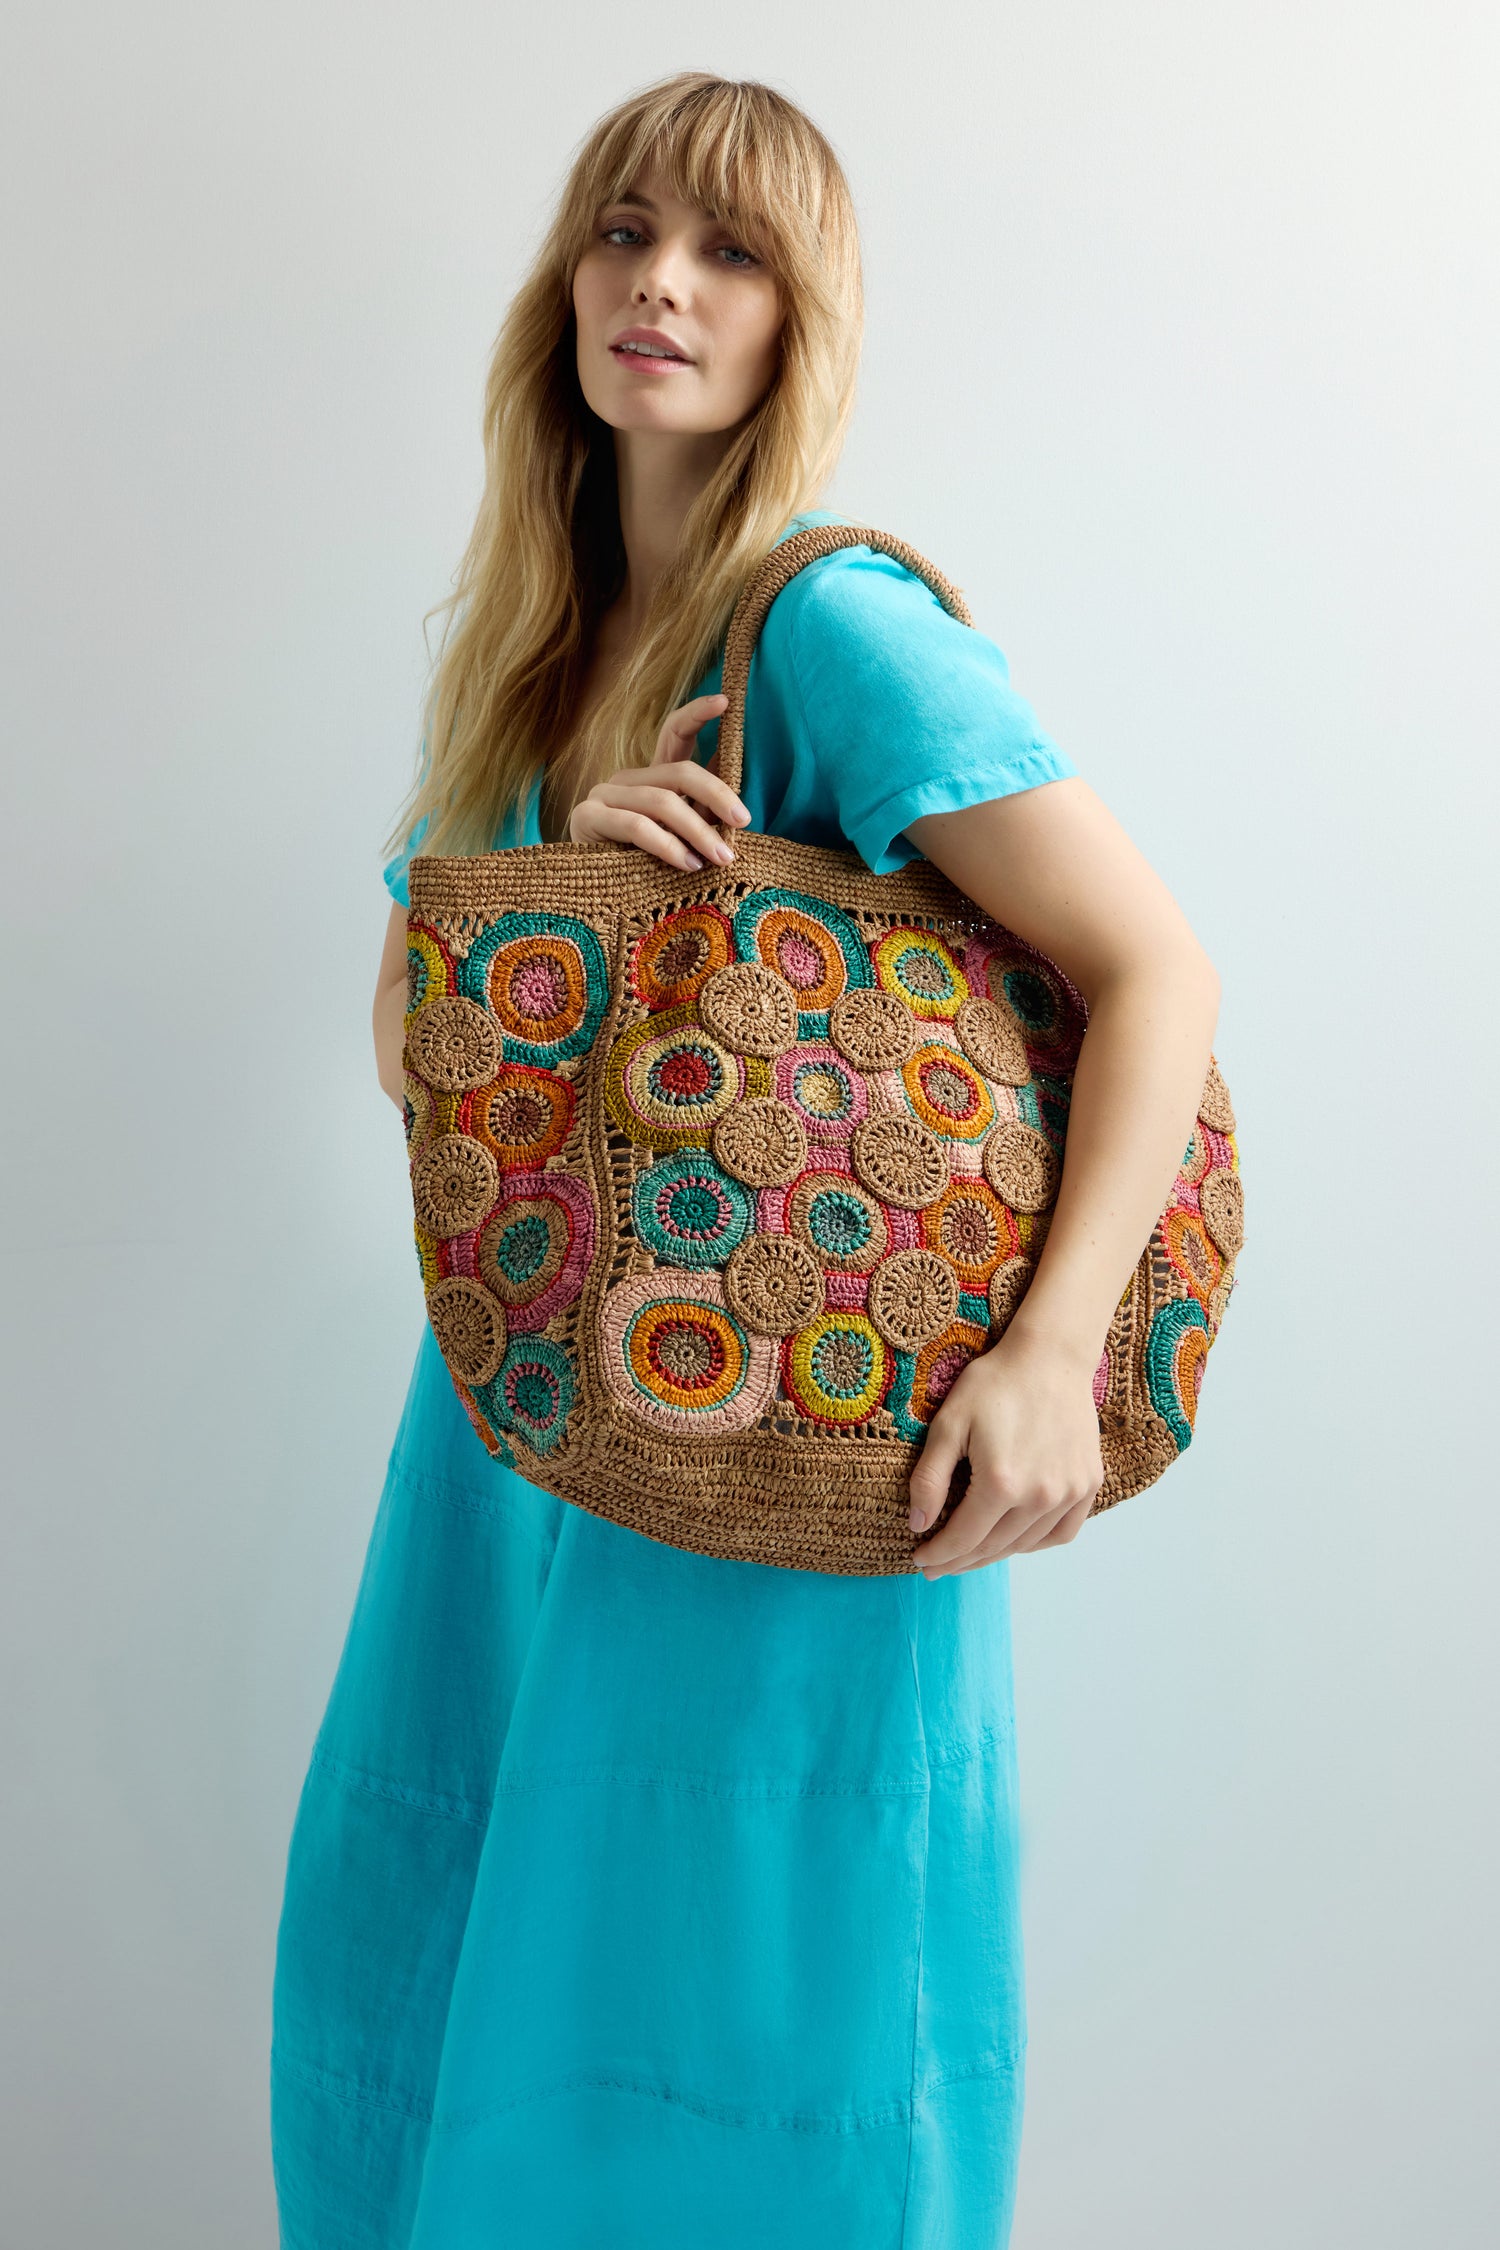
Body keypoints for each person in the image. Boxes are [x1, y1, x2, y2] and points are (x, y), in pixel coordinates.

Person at [270, 70, 1220, 2250]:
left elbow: (1154, 968)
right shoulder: (528, 654)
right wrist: (565, 892)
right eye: (623, 230)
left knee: (752, 2053)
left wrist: (1051, 1357)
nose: (662, 284)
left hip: (774, 1454)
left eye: (731, 251)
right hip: (516, 1439)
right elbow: (415, 1053)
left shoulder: (829, 628)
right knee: (426, 1991)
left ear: (803, 320)